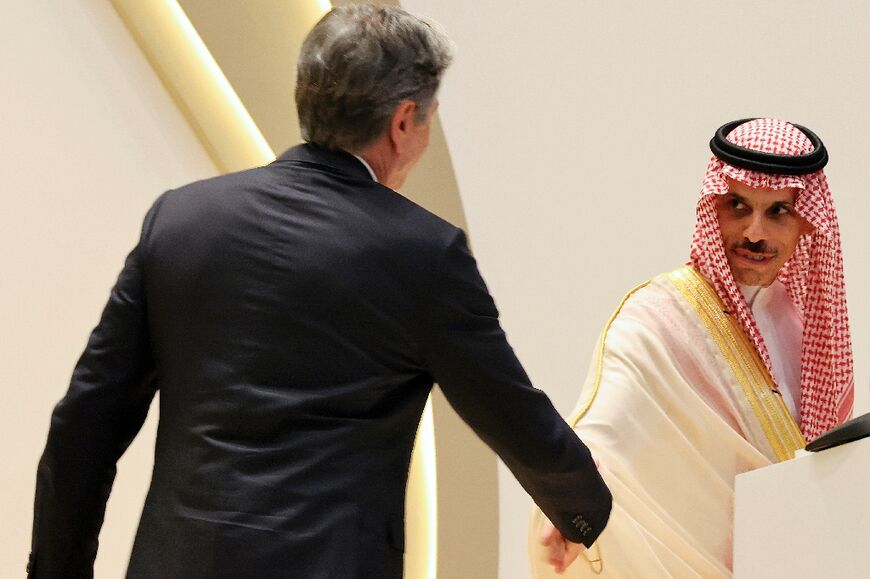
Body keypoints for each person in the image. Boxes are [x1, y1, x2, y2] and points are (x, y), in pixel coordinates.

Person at [28, 6, 611, 578]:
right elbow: (509, 410)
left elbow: (86, 423)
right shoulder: (422, 254)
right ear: (404, 121)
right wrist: (583, 509)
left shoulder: (180, 220)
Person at [529, 118, 854, 578]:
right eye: (737, 205)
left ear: (806, 223)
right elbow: (604, 426)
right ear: (711, 206)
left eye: (778, 211)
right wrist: (567, 497)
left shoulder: (806, 328)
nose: (755, 232)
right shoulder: (659, 316)